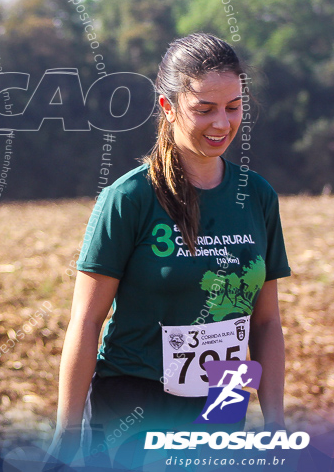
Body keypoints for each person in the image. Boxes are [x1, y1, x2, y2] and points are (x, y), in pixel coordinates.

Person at [50, 33, 290, 469]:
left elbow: (267, 321)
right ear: (168, 107)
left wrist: (275, 426)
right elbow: (86, 321)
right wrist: (66, 435)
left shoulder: (257, 197)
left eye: (233, 107)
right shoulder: (130, 198)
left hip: (225, 396)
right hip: (135, 402)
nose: (222, 123)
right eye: (204, 109)